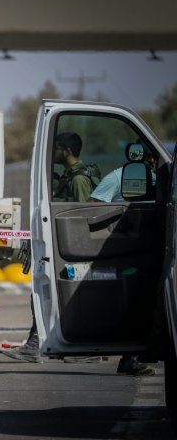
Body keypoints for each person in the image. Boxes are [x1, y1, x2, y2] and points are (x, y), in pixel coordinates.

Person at [4, 132, 100, 365]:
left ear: (67, 150)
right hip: (62, 247)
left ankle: (82, 349)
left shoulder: (78, 180)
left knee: (68, 296)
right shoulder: (70, 176)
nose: (53, 152)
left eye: (56, 148)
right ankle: (38, 345)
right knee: (45, 293)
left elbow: (82, 217)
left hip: (74, 250)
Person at [88, 153, 157, 377]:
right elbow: (92, 208)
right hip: (127, 251)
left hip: (153, 247)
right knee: (134, 300)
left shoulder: (160, 178)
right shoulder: (117, 178)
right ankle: (129, 358)